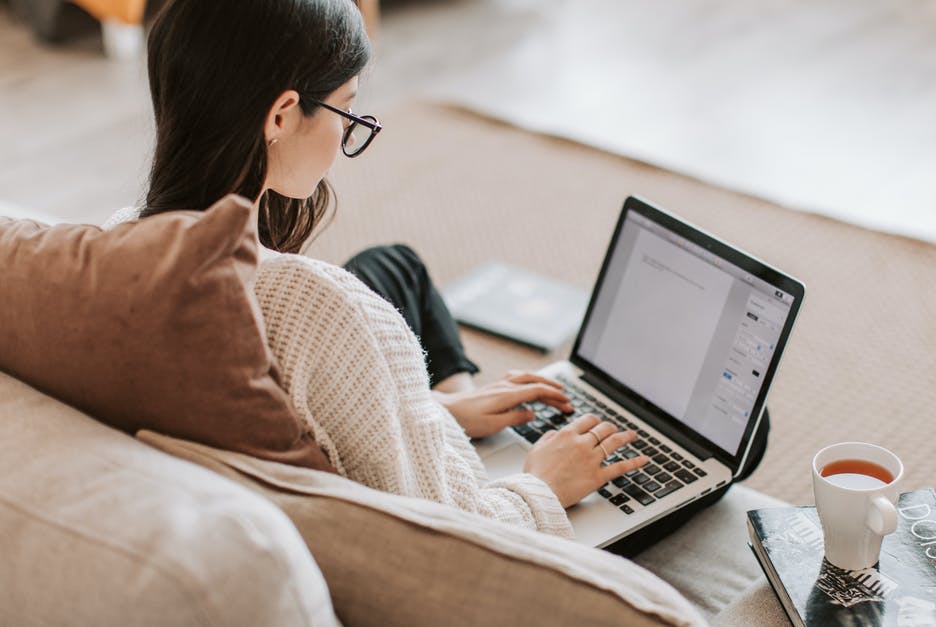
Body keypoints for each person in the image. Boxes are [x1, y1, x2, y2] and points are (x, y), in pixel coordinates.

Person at [131, 0, 651, 538]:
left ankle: (456, 400)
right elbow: (454, 533)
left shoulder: (116, 239)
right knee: (400, 284)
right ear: (282, 115)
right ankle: (461, 420)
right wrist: (544, 482)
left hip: (372, 390)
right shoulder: (319, 307)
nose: (346, 133)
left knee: (394, 264)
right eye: (346, 110)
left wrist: (441, 411)